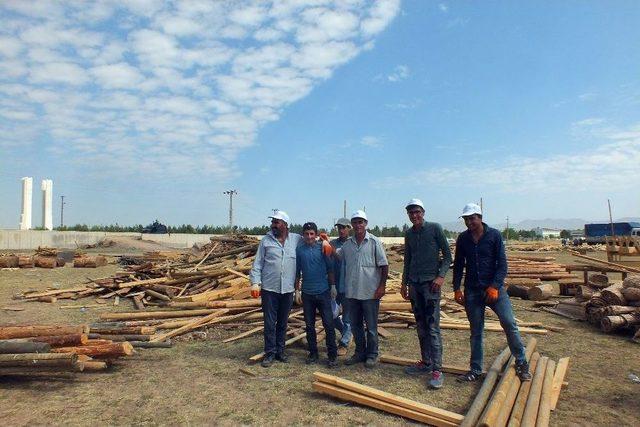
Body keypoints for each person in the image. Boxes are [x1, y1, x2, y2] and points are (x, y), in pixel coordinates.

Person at [452, 203, 532, 382]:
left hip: (495, 290)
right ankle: (475, 369)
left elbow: (502, 265)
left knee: (509, 323)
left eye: (472, 218)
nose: (469, 222)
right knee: (476, 331)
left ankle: (521, 362)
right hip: (473, 291)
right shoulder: (463, 239)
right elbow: (458, 265)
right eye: (466, 219)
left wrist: (495, 286)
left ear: (480, 217)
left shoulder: (494, 235)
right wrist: (457, 288)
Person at [400, 198, 452, 389]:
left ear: (423, 212)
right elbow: (408, 260)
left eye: (417, 212)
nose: (414, 216)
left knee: (432, 327)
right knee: (420, 326)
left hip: (431, 286)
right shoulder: (409, 234)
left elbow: (448, 256)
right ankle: (426, 362)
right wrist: (404, 283)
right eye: (411, 213)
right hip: (415, 284)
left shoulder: (435, 228)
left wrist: (440, 277)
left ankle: (437, 369)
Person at [249, 210, 302, 368]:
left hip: (287, 290)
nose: (273, 225)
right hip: (269, 289)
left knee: (283, 322)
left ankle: (280, 351)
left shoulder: (296, 240)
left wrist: (325, 241)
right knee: (270, 322)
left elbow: (311, 241)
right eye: (272, 222)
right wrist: (255, 282)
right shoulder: (266, 241)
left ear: (285, 225)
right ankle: (270, 352)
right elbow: (257, 264)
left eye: (276, 222)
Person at [338, 210, 389, 368]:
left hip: (370, 292)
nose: (358, 225)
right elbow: (337, 255)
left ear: (366, 224)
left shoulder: (374, 242)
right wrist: (325, 244)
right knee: (356, 326)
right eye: (355, 222)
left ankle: (372, 354)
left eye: (361, 222)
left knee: (372, 327)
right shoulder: (348, 245)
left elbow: (384, 265)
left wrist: (381, 286)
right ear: (351, 225)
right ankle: (360, 353)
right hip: (352, 293)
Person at [295, 222, 338, 367]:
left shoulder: (323, 247)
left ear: (316, 234)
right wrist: (297, 290)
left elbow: (330, 268)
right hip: (307, 294)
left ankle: (332, 355)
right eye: (306, 234)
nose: (309, 237)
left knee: (328, 324)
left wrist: (332, 286)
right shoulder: (300, 250)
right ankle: (313, 353)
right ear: (303, 235)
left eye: (312, 234)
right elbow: (297, 272)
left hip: (323, 292)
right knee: (309, 325)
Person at [330, 218, 353, 356]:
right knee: (331, 314)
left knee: (347, 317)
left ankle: (344, 343)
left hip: (349, 286)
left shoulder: (352, 244)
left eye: (344, 227)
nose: (341, 230)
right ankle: (346, 332)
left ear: (349, 228)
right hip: (334, 285)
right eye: (339, 228)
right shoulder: (332, 243)